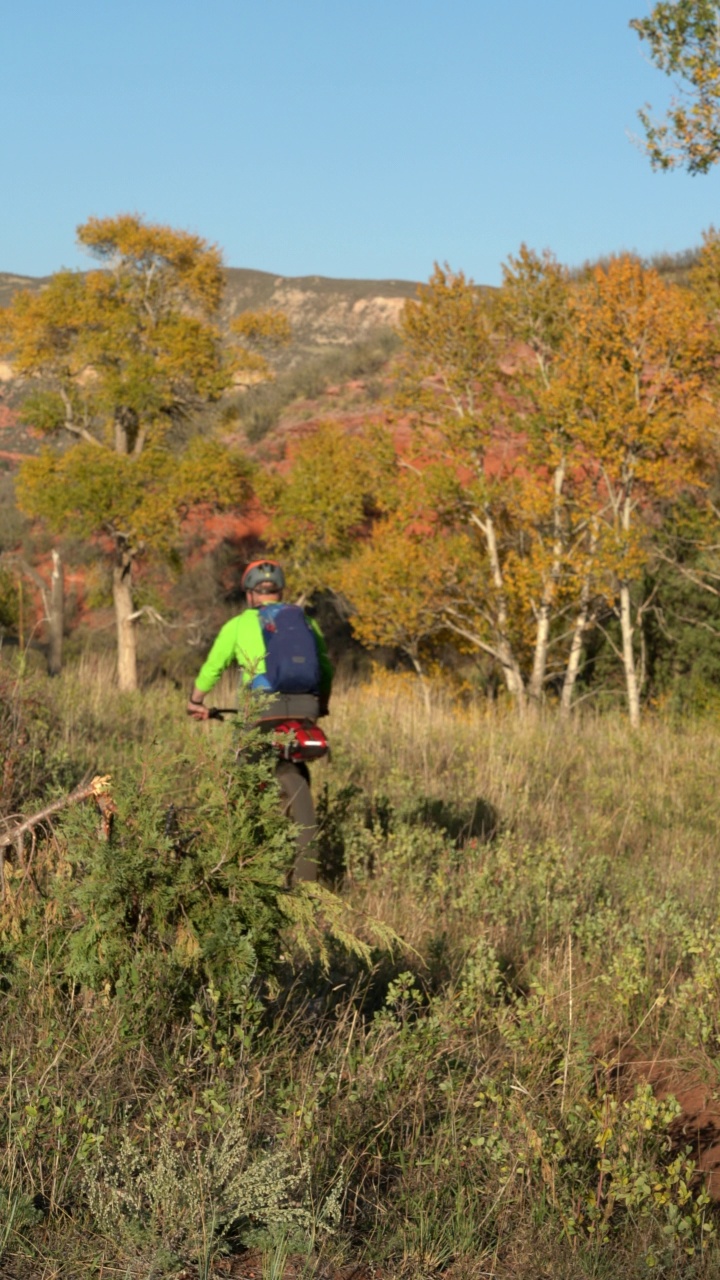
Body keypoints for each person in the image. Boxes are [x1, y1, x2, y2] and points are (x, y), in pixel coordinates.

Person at [186, 559, 333, 882]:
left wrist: (196, 701)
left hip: (262, 712)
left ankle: (242, 864)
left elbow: (212, 668)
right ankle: (302, 863)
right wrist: (319, 703)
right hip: (305, 711)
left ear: (251, 594)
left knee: (243, 784)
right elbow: (326, 667)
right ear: (280, 592)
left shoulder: (238, 625)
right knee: (298, 769)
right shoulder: (307, 623)